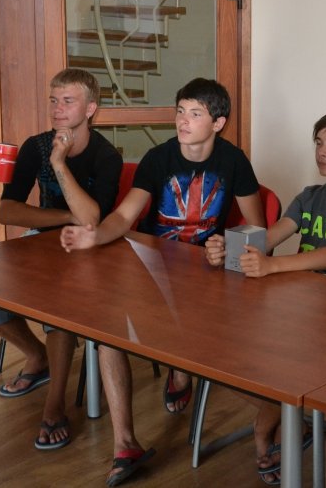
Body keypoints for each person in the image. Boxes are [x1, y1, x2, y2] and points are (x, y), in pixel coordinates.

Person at [60, 77, 265, 486]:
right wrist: (93, 236)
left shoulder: (234, 161)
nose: (183, 121)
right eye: (180, 111)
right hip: (154, 268)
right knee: (109, 333)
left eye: (195, 114)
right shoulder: (158, 158)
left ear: (218, 123)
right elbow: (124, 216)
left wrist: (228, 246)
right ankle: (125, 445)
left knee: (188, 327)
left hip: (206, 274)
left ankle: (182, 371)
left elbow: (257, 226)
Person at [204, 101, 326, 485]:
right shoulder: (309, 195)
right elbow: (270, 236)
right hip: (299, 303)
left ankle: (269, 423)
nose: (322, 151)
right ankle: (285, 416)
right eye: (319, 142)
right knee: (219, 346)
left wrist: (272, 266)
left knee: (276, 355)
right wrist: (228, 247)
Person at [0, 67, 121, 451]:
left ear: (90, 109)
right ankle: (37, 356)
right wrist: (65, 215)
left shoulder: (106, 155)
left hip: (91, 247)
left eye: (68, 101)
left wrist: (59, 164)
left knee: (60, 308)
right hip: (42, 241)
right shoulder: (34, 146)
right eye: (54, 101)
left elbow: (92, 221)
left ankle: (55, 406)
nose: (57, 109)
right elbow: (8, 211)